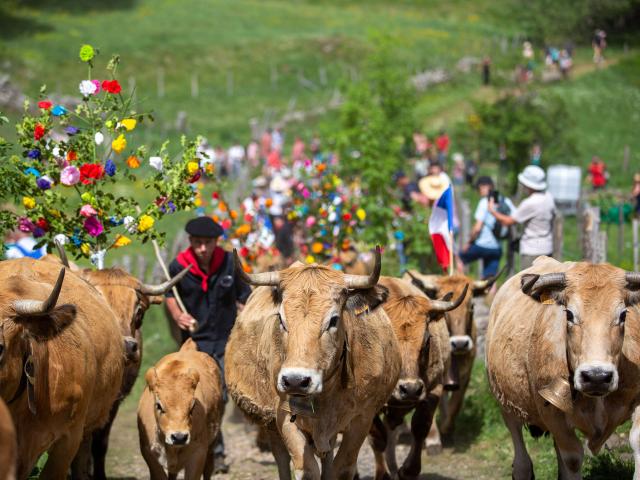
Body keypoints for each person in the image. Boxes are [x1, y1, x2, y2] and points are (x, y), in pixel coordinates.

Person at [165, 216, 251, 473]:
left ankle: (212, 446)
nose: (203, 249)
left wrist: (245, 314)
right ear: (191, 242)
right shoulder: (178, 266)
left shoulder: (229, 263)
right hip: (194, 343)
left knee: (221, 396)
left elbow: (244, 295)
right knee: (196, 396)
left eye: (208, 243)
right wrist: (178, 314)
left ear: (216, 242)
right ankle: (209, 450)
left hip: (226, 340)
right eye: (198, 243)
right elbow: (170, 294)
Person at [488, 165, 556, 270]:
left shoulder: (529, 203)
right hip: (547, 248)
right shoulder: (549, 197)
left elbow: (508, 221)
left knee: (529, 285)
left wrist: (492, 211)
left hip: (531, 250)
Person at [459, 176, 515, 278]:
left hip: (481, 245)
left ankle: (460, 284)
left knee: (460, 258)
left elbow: (477, 228)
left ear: (482, 187)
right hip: (497, 247)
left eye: (478, 189)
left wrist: (468, 243)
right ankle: (492, 293)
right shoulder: (506, 201)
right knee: (490, 277)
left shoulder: (485, 202)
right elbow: (515, 218)